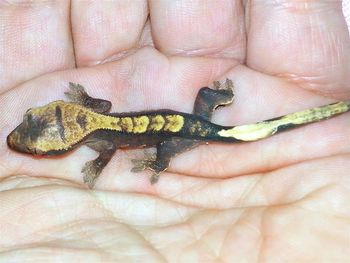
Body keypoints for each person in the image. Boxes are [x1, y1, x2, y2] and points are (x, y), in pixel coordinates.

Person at [0, 1, 349, 261]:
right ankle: (221, 97)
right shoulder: (99, 126)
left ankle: (162, 163)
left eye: (38, 148)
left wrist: (100, 157)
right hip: (185, 122)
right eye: (36, 142)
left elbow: (105, 142)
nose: (20, 136)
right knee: (204, 99)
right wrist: (84, 101)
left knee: (169, 146)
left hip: (184, 132)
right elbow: (102, 110)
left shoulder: (102, 137)